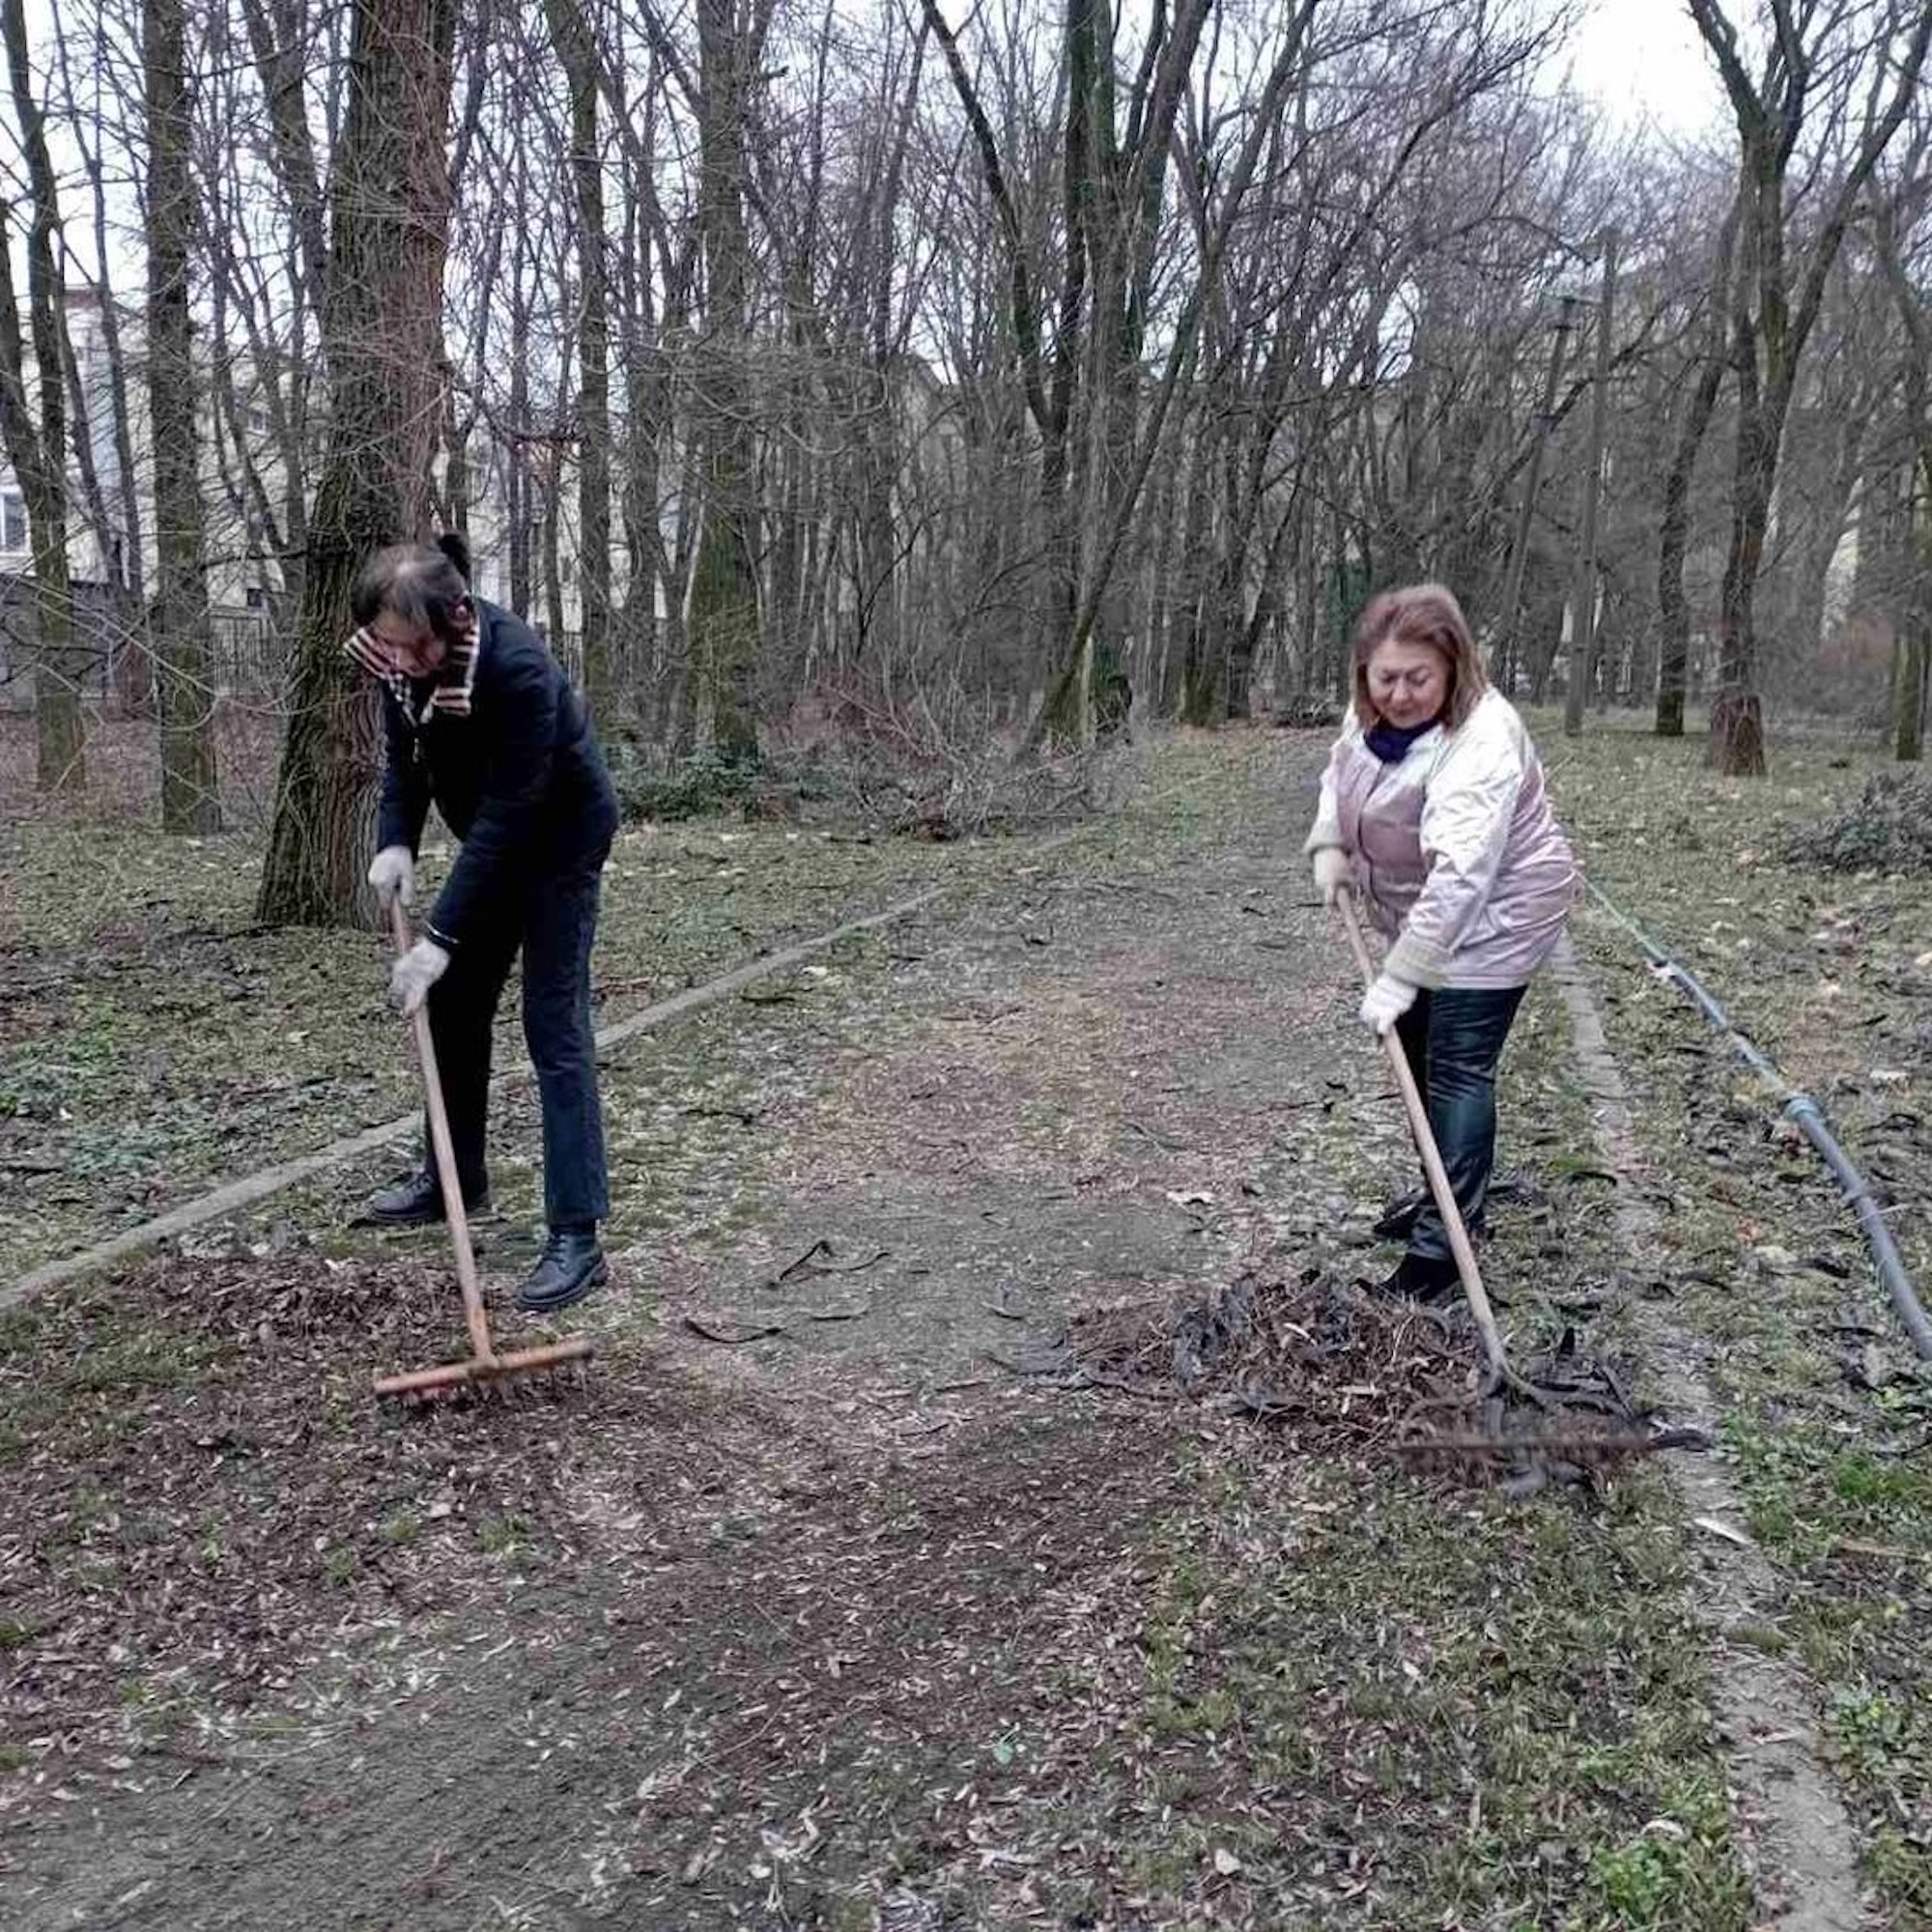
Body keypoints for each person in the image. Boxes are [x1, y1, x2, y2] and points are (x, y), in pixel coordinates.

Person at [346, 541, 620, 1314]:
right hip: (496, 843)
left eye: (415, 645)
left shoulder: (518, 672)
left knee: (553, 1027)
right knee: (458, 1008)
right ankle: (454, 1178)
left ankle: (577, 1233)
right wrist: (393, 838)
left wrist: (438, 939)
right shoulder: (402, 658)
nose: (402, 659)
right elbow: (405, 756)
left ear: (456, 617)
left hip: (558, 842)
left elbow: (508, 818)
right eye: (392, 645)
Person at [1304, 582, 1578, 1299]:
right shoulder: (1374, 710)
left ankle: (1442, 1256)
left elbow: (1462, 878)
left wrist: (1399, 978)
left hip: (1498, 914)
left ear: (1454, 669)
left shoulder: (1480, 740)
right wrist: (1330, 839)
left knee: (1455, 1065)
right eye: (1383, 677)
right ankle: (1445, 1201)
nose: (1397, 694)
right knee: (1420, 1054)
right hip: (1424, 908)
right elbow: (1344, 768)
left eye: (1417, 679)